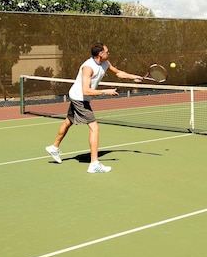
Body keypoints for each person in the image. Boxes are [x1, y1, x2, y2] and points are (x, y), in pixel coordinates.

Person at [45, 43, 143, 173]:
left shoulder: (105, 63)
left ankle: (54, 147)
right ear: (100, 54)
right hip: (80, 98)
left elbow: (118, 73)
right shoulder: (88, 68)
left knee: (69, 121)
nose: (109, 54)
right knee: (94, 127)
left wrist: (134, 77)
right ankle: (94, 164)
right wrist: (105, 92)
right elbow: (86, 91)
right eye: (107, 52)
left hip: (77, 96)